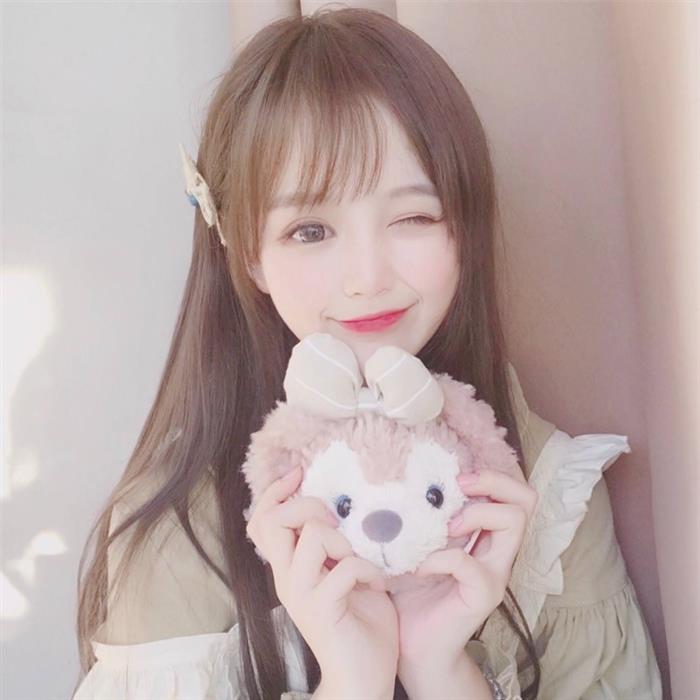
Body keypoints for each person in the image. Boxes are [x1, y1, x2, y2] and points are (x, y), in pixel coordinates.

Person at [72, 7, 662, 699]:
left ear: (464, 227)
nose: (367, 277)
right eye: (311, 230)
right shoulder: (179, 528)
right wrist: (353, 680)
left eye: (412, 217)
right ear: (249, 253)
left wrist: (440, 667)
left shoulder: (543, 494)